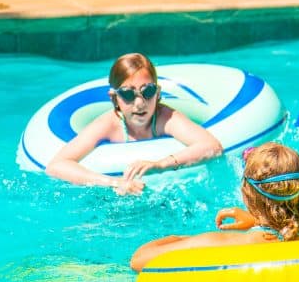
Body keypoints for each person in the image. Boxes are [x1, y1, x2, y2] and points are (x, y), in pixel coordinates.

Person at [129, 142, 299, 271]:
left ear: (246, 192)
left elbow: (139, 260)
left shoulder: (217, 243)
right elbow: (282, 236)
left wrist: (185, 239)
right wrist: (257, 221)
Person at [46, 53, 223, 194]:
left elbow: (212, 146)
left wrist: (160, 165)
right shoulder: (108, 125)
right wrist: (113, 182)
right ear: (114, 98)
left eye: (148, 91)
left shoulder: (165, 118)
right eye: (128, 95)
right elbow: (57, 165)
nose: (140, 103)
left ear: (158, 92)